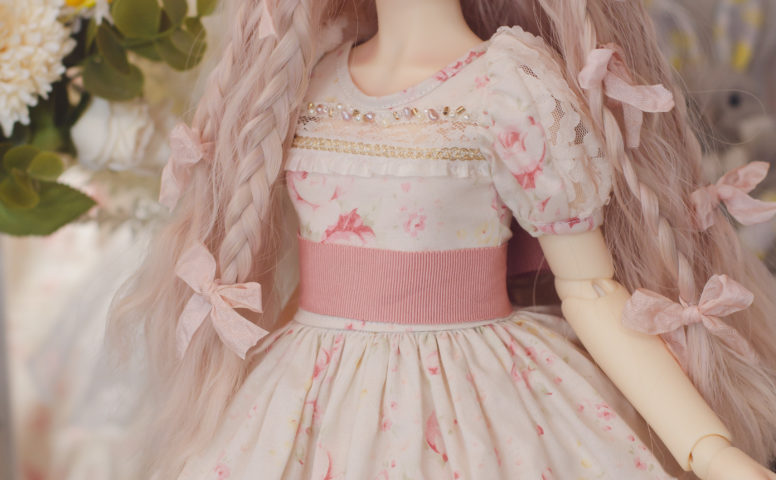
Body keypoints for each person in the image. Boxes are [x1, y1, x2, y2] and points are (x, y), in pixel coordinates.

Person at [107, 0, 776, 478]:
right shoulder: (311, 80)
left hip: (474, 391)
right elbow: (314, 278)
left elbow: (593, 290)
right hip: (308, 387)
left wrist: (709, 449)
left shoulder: (507, 86)